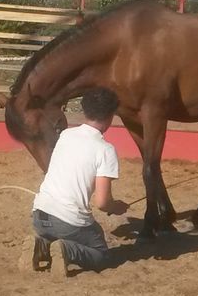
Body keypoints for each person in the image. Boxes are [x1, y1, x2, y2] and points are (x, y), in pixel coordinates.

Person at [20, 87, 129, 277]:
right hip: (68, 221)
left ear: (85, 110)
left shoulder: (66, 135)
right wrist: (117, 207)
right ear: (111, 116)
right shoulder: (105, 149)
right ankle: (66, 251)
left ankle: (42, 245)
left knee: (67, 232)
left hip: (40, 215)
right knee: (101, 254)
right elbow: (102, 203)